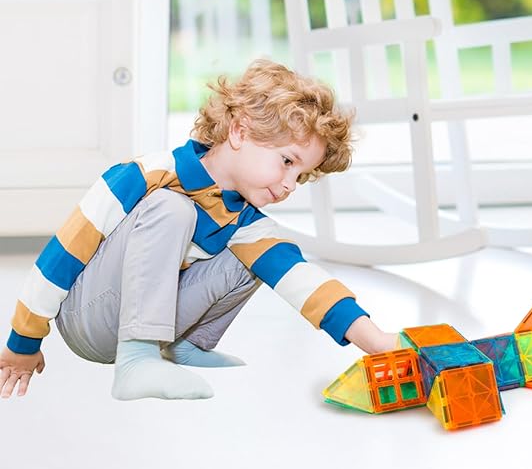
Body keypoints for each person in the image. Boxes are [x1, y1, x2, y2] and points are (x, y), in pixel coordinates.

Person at [0, 58, 396, 401]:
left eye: (302, 175)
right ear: (240, 131)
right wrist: (23, 342)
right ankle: (137, 359)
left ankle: (186, 346)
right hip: (88, 319)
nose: (291, 184)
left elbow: (303, 281)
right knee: (173, 208)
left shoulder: (244, 219)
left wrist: (378, 342)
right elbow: (64, 252)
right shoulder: (146, 174)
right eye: (288, 162)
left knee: (263, 255)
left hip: (155, 327)